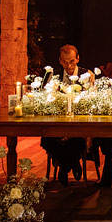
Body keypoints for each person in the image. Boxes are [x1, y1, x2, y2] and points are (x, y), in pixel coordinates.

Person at [41, 45, 90, 186]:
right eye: (65, 62)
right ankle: (72, 163)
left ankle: (63, 167)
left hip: (79, 122)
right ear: (60, 61)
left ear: (78, 59)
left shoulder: (86, 75)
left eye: (72, 61)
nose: (69, 65)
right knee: (47, 140)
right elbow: (46, 98)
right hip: (57, 121)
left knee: (76, 139)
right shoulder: (53, 76)